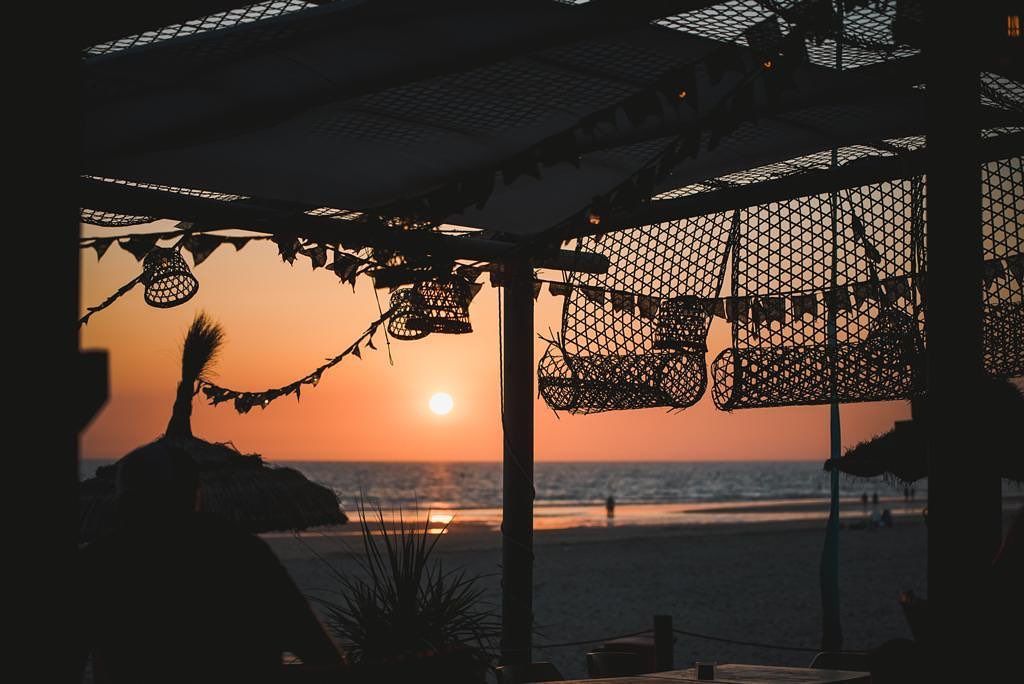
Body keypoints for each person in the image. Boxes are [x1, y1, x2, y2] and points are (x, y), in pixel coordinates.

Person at [79, 441, 345, 683]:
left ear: (124, 504)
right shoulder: (244, 555)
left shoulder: (100, 563)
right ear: (195, 495)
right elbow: (321, 656)